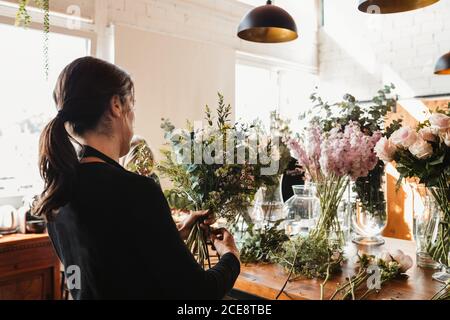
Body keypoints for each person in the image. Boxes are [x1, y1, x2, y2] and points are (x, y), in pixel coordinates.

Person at [34, 56, 240, 300]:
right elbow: (199, 292)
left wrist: (170, 236)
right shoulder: (136, 190)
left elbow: (109, 265)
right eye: (132, 104)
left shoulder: (57, 193)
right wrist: (231, 257)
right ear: (116, 106)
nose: (133, 117)